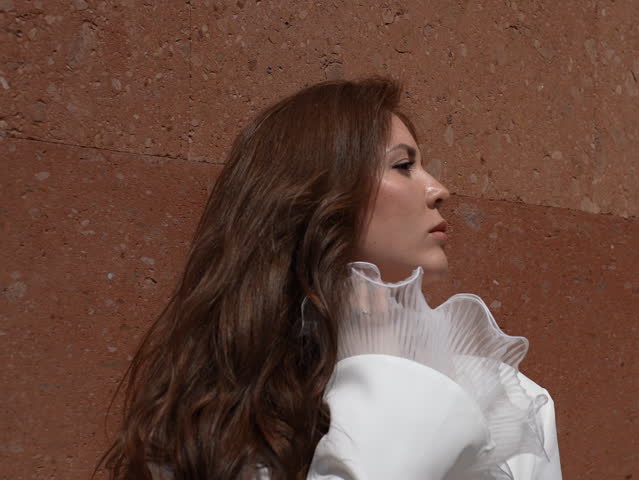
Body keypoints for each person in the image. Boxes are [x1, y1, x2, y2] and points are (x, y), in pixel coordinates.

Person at [96, 77, 562, 479]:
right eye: (403, 166)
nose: (438, 189)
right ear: (321, 198)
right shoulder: (218, 416)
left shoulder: (511, 402)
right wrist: (387, 370)